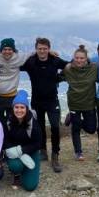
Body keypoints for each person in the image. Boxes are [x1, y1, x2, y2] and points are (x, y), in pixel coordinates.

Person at [20, 37, 67, 172]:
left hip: (52, 100)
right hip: (37, 101)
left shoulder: (55, 60)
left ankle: (55, 155)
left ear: (49, 49)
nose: (42, 51)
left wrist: (61, 77)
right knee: (39, 128)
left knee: (55, 126)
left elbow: (69, 65)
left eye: (45, 49)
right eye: (40, 48)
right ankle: (43, 151)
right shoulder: (31, 62)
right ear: (36, 49)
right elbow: (15, 65)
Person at [62, 45, 98, 161]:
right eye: (77, 58)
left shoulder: (93, 68)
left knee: (91, 128)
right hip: (74, 103)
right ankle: (78, 152)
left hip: (89, 103)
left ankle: (72, 119)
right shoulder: (68, 69)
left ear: (86, 58)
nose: (79, 60)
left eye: (82, 58)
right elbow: (56, 76)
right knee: (76, 128)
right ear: (73, 58)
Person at [3, 90, 43, 191]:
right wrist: (13, 150)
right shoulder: (8, 121)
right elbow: (5, 139)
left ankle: (25, 171)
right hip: (13, 152)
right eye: (16, 107)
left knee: (30, 186)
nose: (19, 110)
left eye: (22, 107)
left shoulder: (33, 123)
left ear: (26, 108)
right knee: (15, 166)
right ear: (13, 108)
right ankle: (17, 174)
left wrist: (21, 151)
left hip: (31, 152)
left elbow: (38, 143)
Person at [0, 38, 29, 124]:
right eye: (4, 49)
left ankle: (10, 137)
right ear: (1, 50)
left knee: (12, 122)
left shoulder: (19, 58)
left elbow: (35, 53)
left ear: (13, 50)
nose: (7, 51)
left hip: (11, 96)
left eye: (9, 49)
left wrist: (49, 52)